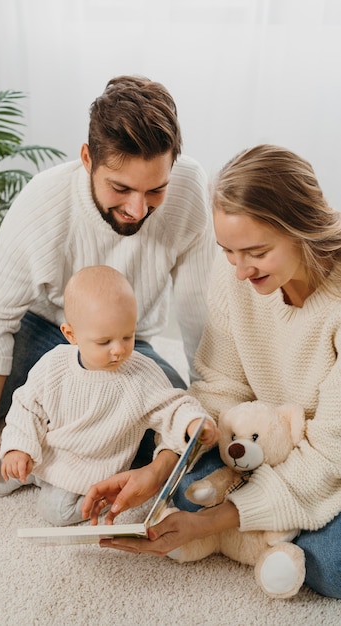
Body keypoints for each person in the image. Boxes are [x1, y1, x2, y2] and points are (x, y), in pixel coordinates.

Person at [0, 75, 217, 479]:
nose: (137, 209)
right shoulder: (41, 204)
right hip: (42, 325)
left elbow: (198, 311)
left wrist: (207, 398)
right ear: (87, 159)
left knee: (174, 442)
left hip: (128, 344)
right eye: (121, 188)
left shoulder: (188, 189)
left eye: (155, 191)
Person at [82, 145, 341, 599]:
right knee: (181, 495)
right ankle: (267, 529)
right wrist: (161, 469)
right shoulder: (236, 278)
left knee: (334, 565)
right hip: (261, 450)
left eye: (256, 252)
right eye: (227, 252)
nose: (238, 271)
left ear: (302, 230)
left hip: (328, 460)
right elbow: (218, 388)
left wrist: (212, 521)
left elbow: (328, 459)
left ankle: (257, 529)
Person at [0, 266, 220, 526]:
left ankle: (100, 490)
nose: (118, 350)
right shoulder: (54, 364)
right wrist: (18, 448)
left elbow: (174, 406)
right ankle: (32, 468)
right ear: (71, 335)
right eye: (104, 342)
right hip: (45, 448)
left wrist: (193, 423)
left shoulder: (141, 375)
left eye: (127, 336)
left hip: (88, 467)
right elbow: (28, 405)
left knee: (56, 512)